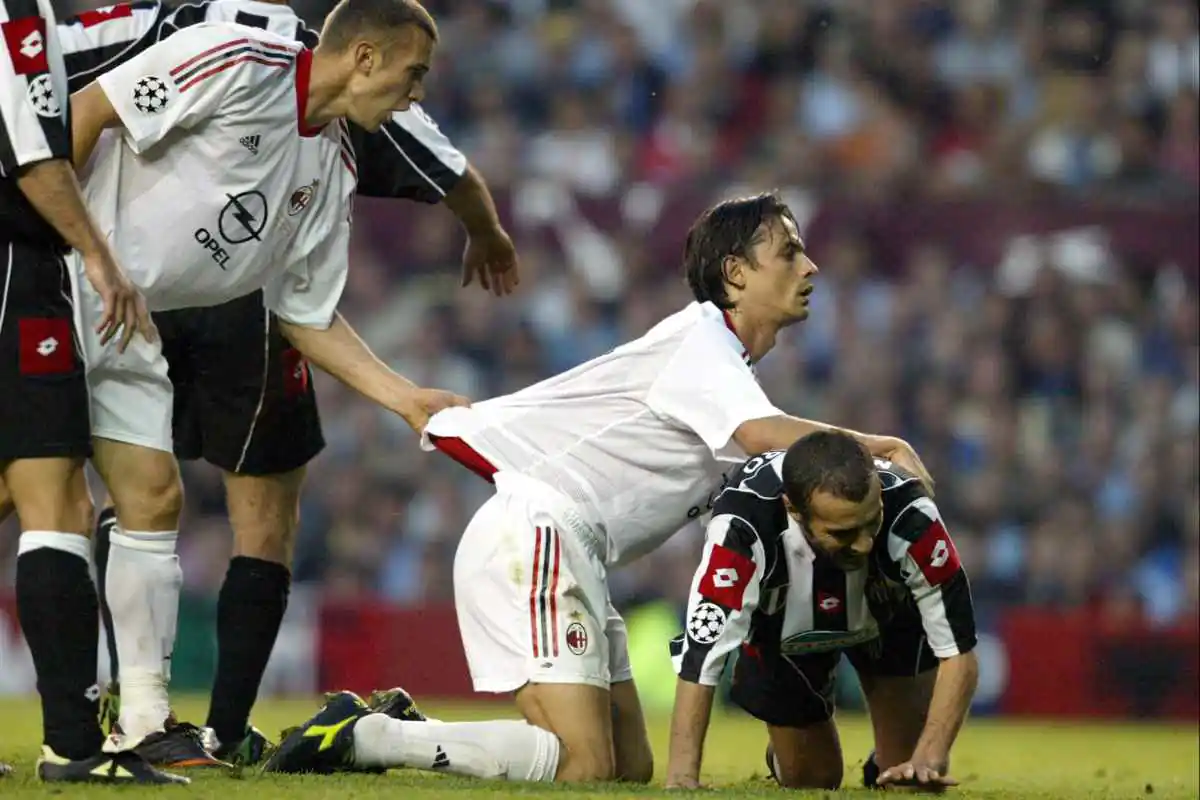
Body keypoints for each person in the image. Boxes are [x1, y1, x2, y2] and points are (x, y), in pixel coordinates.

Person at [263, 191, 933, 784]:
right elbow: (759, 434)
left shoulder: (719, 363)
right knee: (582, 765)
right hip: (540, 532)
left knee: (627, 769)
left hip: (572, 548)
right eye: (790, 253)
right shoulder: (702, 341)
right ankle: (369, 736)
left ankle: (405, 726)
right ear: (736, 272)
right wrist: (876, 445)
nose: (810, 267)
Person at [3, 0, 516, 770]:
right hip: (64, 276)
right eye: (412, 76)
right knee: (45, 499)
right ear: (364, 58)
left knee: (151, 495)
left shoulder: (332, 163)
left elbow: (304, 315)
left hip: (131, 315)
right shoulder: (236, 60)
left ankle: (142, 725)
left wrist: (405, 397)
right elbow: (86, 112)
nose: (416, 96)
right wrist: (61, 256)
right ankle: (80, 739)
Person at [0, 0, 176, 783]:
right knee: (57, 502)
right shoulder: (14, 16)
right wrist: (98, 258)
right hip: (13, 269)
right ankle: (73, 746)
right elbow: (35, 156)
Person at [666, 431, 978, 791]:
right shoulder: (742, 527)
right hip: (783, 632)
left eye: (872, 521)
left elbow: (960, 653)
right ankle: (788, 752)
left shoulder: (911, 513)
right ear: (793, 510)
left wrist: (930, 757)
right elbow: (701, 656)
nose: (863, 543)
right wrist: (682, 776)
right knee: (814, 781)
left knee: (909, 779)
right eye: (843, 533)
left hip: (886, 621)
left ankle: (886, 760)